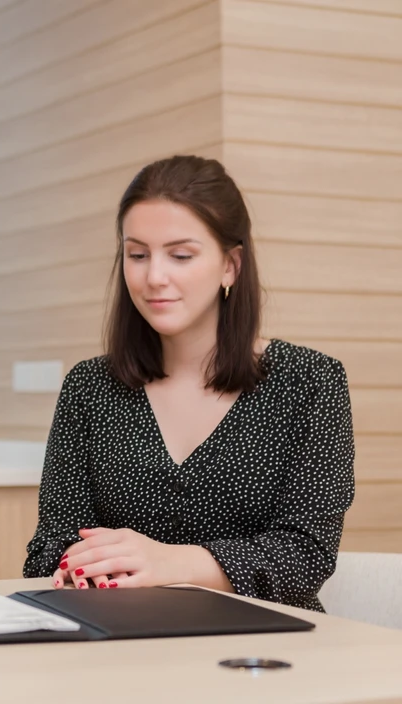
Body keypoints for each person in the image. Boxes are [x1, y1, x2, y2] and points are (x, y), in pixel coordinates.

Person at [22, 155, 355, 611]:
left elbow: (305, 556)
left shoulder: (309, 383)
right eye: (137, 255)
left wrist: (171, 563)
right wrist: (78, 566)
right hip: (119, 646)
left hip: (266, 653)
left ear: (230, 266)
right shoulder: (89, 388)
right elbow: (49, 548)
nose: (154, 277)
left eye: (180, 255)